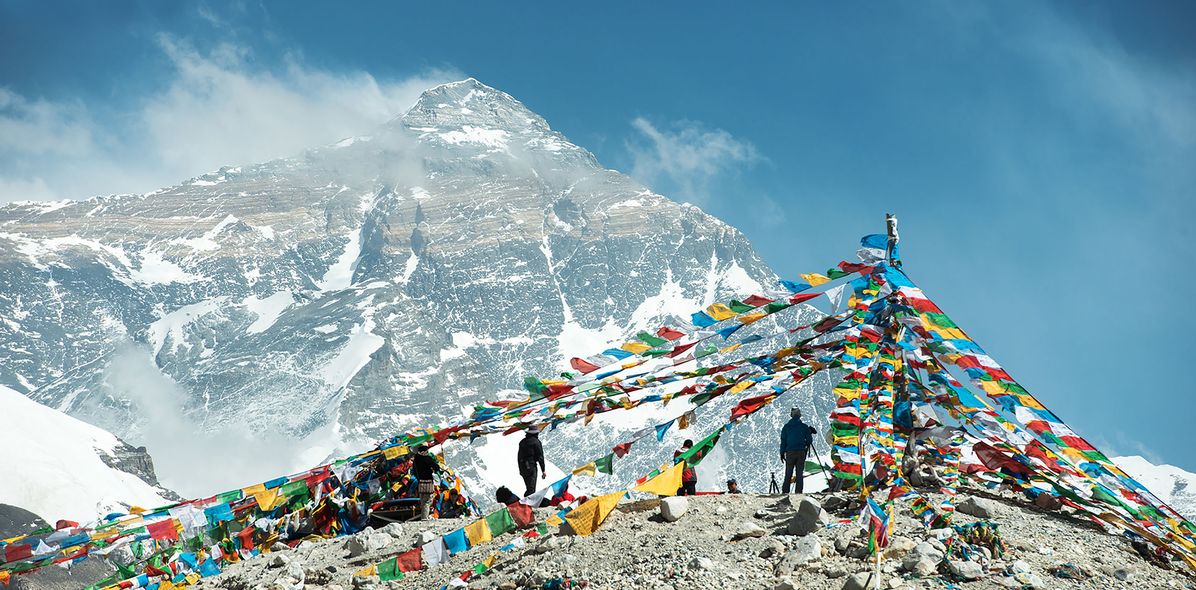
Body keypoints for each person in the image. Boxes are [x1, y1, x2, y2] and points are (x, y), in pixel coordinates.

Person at [780, 408, 816, 494]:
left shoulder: (786, 427)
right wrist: (808, 432)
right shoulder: (804, 427)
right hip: (801, 452)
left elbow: (783, 441)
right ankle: (798, 492)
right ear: (799, 415)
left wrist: (782, 453)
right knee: (799, 473)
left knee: (788, 473)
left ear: (791, 415)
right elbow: (809, 441)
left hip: (790, 452)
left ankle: (785, 492)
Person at [412, 445, 441, 519]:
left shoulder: (415, 460)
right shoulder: (427, 459)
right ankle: (425, 517)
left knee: (422, 500)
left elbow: (414, 472)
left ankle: (424, 516)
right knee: (428, 501)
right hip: (428, 481)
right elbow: (436, 467)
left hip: (420, 482)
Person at [517, 426, 546, 497]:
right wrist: (543, 470)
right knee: (531, 488)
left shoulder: (522, 442)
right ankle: (527, 504)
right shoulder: (536, 442)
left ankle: (526, 502)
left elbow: (519, 456)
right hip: (531, 466)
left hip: (522, 467)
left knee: (528, 487)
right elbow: (540, 457)